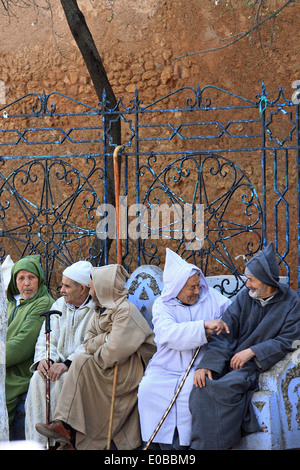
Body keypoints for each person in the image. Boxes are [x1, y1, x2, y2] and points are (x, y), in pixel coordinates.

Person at [189, 241, 300, 450]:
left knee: (224, 389)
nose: (247, 284)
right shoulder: (244, 298)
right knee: (201, 386)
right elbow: (225, 336)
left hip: (257, 367)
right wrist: (208, 365)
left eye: (251, 280)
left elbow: (289, 340)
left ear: (267, 281)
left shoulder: (292, 302)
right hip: (231, 363)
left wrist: (253, 352)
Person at [35, 263, 156, 450]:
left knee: (81, 362)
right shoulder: (101, 310)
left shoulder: (126, 311)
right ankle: (65, 429)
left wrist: (100, 344)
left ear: (103, 288)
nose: (90, 292)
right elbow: (87, 343)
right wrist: (106, 337)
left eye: (92, 287)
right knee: (78, 363)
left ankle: (68, 430)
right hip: (104, 367)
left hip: (126, 372)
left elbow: (111, 355)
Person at [137, 248, 232, 450]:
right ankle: (156, 446)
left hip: (199, 365)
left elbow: (232, 318)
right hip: (166, 367)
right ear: (177, 288)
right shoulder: (163, 305)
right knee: (148, 388)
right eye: (191, 288)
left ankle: (184, 447)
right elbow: (167, 334)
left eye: (198, 285)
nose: (197, 291)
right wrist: (203, 327)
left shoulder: (213, 298)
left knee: (191, 389)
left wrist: (220, 325)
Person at [25, 260, 95, 448]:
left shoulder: (95, 310)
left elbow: (90, 344)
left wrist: (67, 363)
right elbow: (46, 337)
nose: (62, 290)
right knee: (37, 379)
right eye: (61, 284)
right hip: (55, 364)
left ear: (82, 288)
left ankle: (62, 440)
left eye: (67, 286)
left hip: (78, 367)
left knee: (64, 379)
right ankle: (37, 442)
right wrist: (45, 359)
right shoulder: (59, 304)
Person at [5, 255, 55, 439]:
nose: (26, 283)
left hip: (20, 374)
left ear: (39, 279)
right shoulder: (12, 304)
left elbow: (22, 344)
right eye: (21, 278)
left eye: (31, 277)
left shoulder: (43, 303)